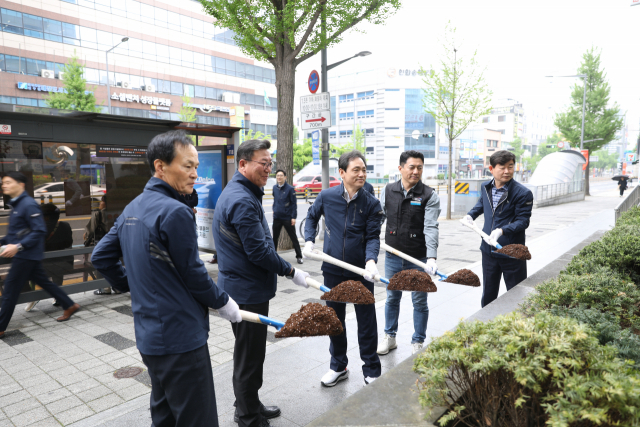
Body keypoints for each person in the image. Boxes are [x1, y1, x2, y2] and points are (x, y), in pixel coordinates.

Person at [91, 130, 242, 427]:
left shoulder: (132, 208)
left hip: (149, 339)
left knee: (164, 417)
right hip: (181, 340)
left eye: (196, 166)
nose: (195, 174)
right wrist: (224, 303)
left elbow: (100, 257)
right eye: (187, 166)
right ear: (161, 166)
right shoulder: (175, 212)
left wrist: (126, 283)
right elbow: (195, 274)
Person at [212, 139, 310, 427]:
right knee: (249, 356)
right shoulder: (242, 199)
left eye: (270, 164)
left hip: (243, 287)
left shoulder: (240, 192)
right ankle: (247, 417)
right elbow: (259, 252)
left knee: (251, 352)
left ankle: (248, 403)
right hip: (247, 291)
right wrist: (291, 271)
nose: (268, 169)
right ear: (243, 164)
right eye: (262, 163)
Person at [304, 150, 385, 387]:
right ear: (342, 173)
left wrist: (370, 261)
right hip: (332, 269)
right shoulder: (327, 196)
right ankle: (338, 366)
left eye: (364, 170)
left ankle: (371, 369)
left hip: (361, 272)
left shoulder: (371, 203)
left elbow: (372, 237)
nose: (362, 174)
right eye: (356, 170)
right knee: (334, 319)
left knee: (366, 322)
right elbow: (311, 217)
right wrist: (309, 239)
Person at [0, 172, 80, 339]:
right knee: (46, 284)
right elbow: (14, 234)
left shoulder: (28, 204)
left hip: (25, 255)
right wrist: (4, 241)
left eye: (8, 182)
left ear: (20, 185)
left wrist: (18, 246)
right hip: (27, 255)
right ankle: (69, 305)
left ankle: (1, 327)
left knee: (9, 291)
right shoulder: (17, 205)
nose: (4, 185)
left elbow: (39, 230)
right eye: (3, 183)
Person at [377, 150, 440, 356]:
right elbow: (378, 219)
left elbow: (431, 227)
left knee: (419, 301)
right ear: (401, 168)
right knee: (392, 297)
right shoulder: (387, 190)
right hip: (393, 257)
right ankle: (390, 337)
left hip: (418, 258)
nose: (415, 171)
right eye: (411, 167)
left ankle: (418, 341)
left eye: (419, 167)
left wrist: (431, 257)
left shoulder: (429, 195)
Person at [464, 150, 534, 308]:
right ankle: (486, 325)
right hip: (489, 251)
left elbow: (523, 221)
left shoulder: (523, 193)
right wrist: (470, 215)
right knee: (488, 294)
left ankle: (517, 327)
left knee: (516, 295)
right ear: (491, 169)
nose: (507, 171)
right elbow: (482, 204)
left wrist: (502, 230)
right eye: (502, 167)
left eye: (510, 166)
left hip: (512, 253)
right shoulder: (485, 187)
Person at [24, 203, 75, 312]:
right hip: (65, 265)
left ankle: (32, 296)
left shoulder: (38, 229)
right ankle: (58, 297)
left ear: (45, 216)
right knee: (58, 264)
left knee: (24, 269)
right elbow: (68, 243)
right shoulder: (65, 226)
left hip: (43, 267)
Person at [84, 196, 117, 296]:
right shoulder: (117, 213)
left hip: (102, 243)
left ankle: (104, 288)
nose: (100, 204)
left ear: (105, 202)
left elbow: (90, 230)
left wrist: (86, 237)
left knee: (99, 262)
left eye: (101, 201)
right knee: (115, 263)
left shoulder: (99, 214)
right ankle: (117, 287)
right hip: (115, 242)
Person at [272, 169, 303, 264]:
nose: (279, 177)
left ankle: (299, 256)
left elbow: (294, 204)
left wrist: (293, 217)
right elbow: (275, 200)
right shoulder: (274, 188)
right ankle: (273, 256)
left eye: (281, 175)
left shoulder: (290, 189)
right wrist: (274, 209)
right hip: (277, 217)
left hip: (287, 218)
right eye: (277, 175)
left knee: (293, 237)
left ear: (285, 177)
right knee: (274, 238)